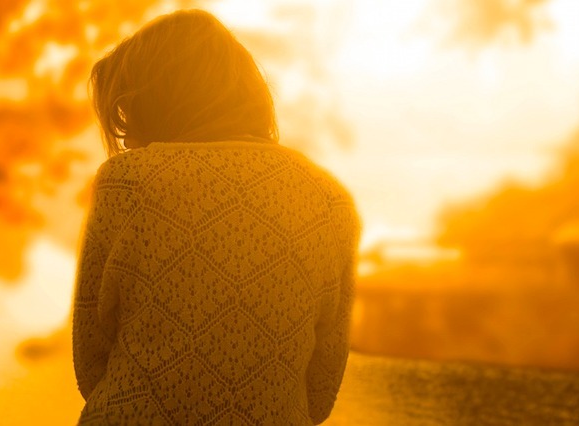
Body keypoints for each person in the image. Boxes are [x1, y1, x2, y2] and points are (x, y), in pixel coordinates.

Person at [72, 9, 362, 425]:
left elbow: (91, 355)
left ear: (161, 102)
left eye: (128, 118)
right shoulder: (329, 200)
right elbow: (322, 381)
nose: (129, 140)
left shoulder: (129, 181)